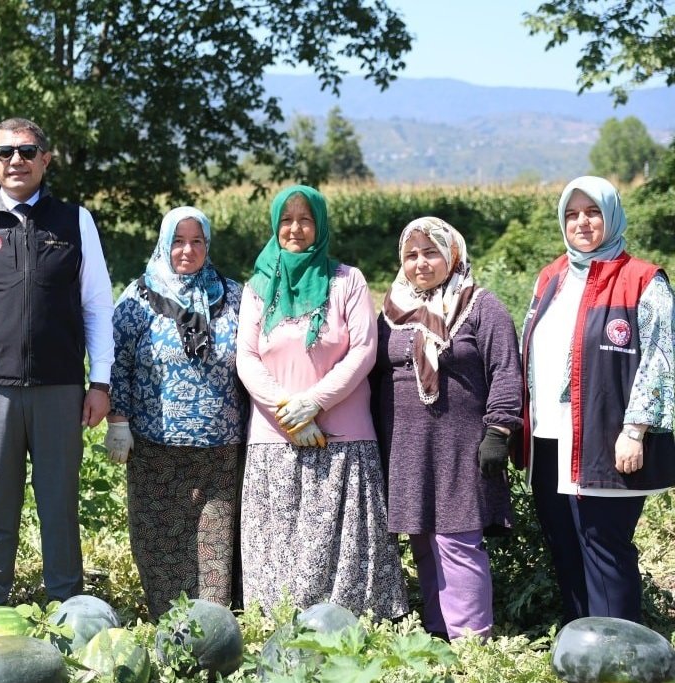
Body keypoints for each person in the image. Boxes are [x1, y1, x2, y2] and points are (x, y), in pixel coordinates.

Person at [0, 117, 114, 606]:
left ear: (45, 159)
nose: (17, 161)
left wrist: (101, 381)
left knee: (59, 506)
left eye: (28, 151)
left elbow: (97, 304)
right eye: (6, 152)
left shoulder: (75, 221)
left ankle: (70, 611)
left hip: (61, 388)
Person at [236, 185, 407, 619]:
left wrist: (313, 402)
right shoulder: (258, 287)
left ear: (321, 226)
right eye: (287, 220)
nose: (296, 228)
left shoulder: (348, 281)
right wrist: (289, 413)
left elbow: (363, 351)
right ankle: (279, 630)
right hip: (276, 440)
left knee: (343, 552)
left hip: (343, 438)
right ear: (276, 226)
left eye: (306, 219)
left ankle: (351, 631)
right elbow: (248, 358)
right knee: (281, 548)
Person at [520, 176, 674, 624]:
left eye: (592, 212)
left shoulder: (643, 279)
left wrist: (636, 428)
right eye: (572, 214)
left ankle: (621, 663)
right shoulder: (550, 277)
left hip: (607, 439)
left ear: (612, 215)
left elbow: (662, 358)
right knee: (565, 545)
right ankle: (581, 652)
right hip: (550, 438)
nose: (582, 222)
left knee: (604, 546)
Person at [373, 217, 522, 640]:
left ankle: (472, 643)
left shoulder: (481, 305)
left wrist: (499, 430)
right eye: (411, 255)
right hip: (406, 445)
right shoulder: (392, 311)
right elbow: (376, 375)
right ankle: (438, 636)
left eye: (431, 252)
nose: (420, 263)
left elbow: (506, 371)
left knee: (458, 542)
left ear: (452, 254)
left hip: (461, 444)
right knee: (421, 542)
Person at [105, 206, 246, 619]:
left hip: (221, 446)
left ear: (208, 245)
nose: (187, 250)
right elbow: (118, 362)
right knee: (161, 535)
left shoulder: (233, 296)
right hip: (154, 443)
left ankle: (214, 620)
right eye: (178, 241)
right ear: (164, 244)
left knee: (215, 537)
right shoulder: (137, 298)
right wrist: (118, 419)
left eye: (196, 241)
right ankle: (168, 619)